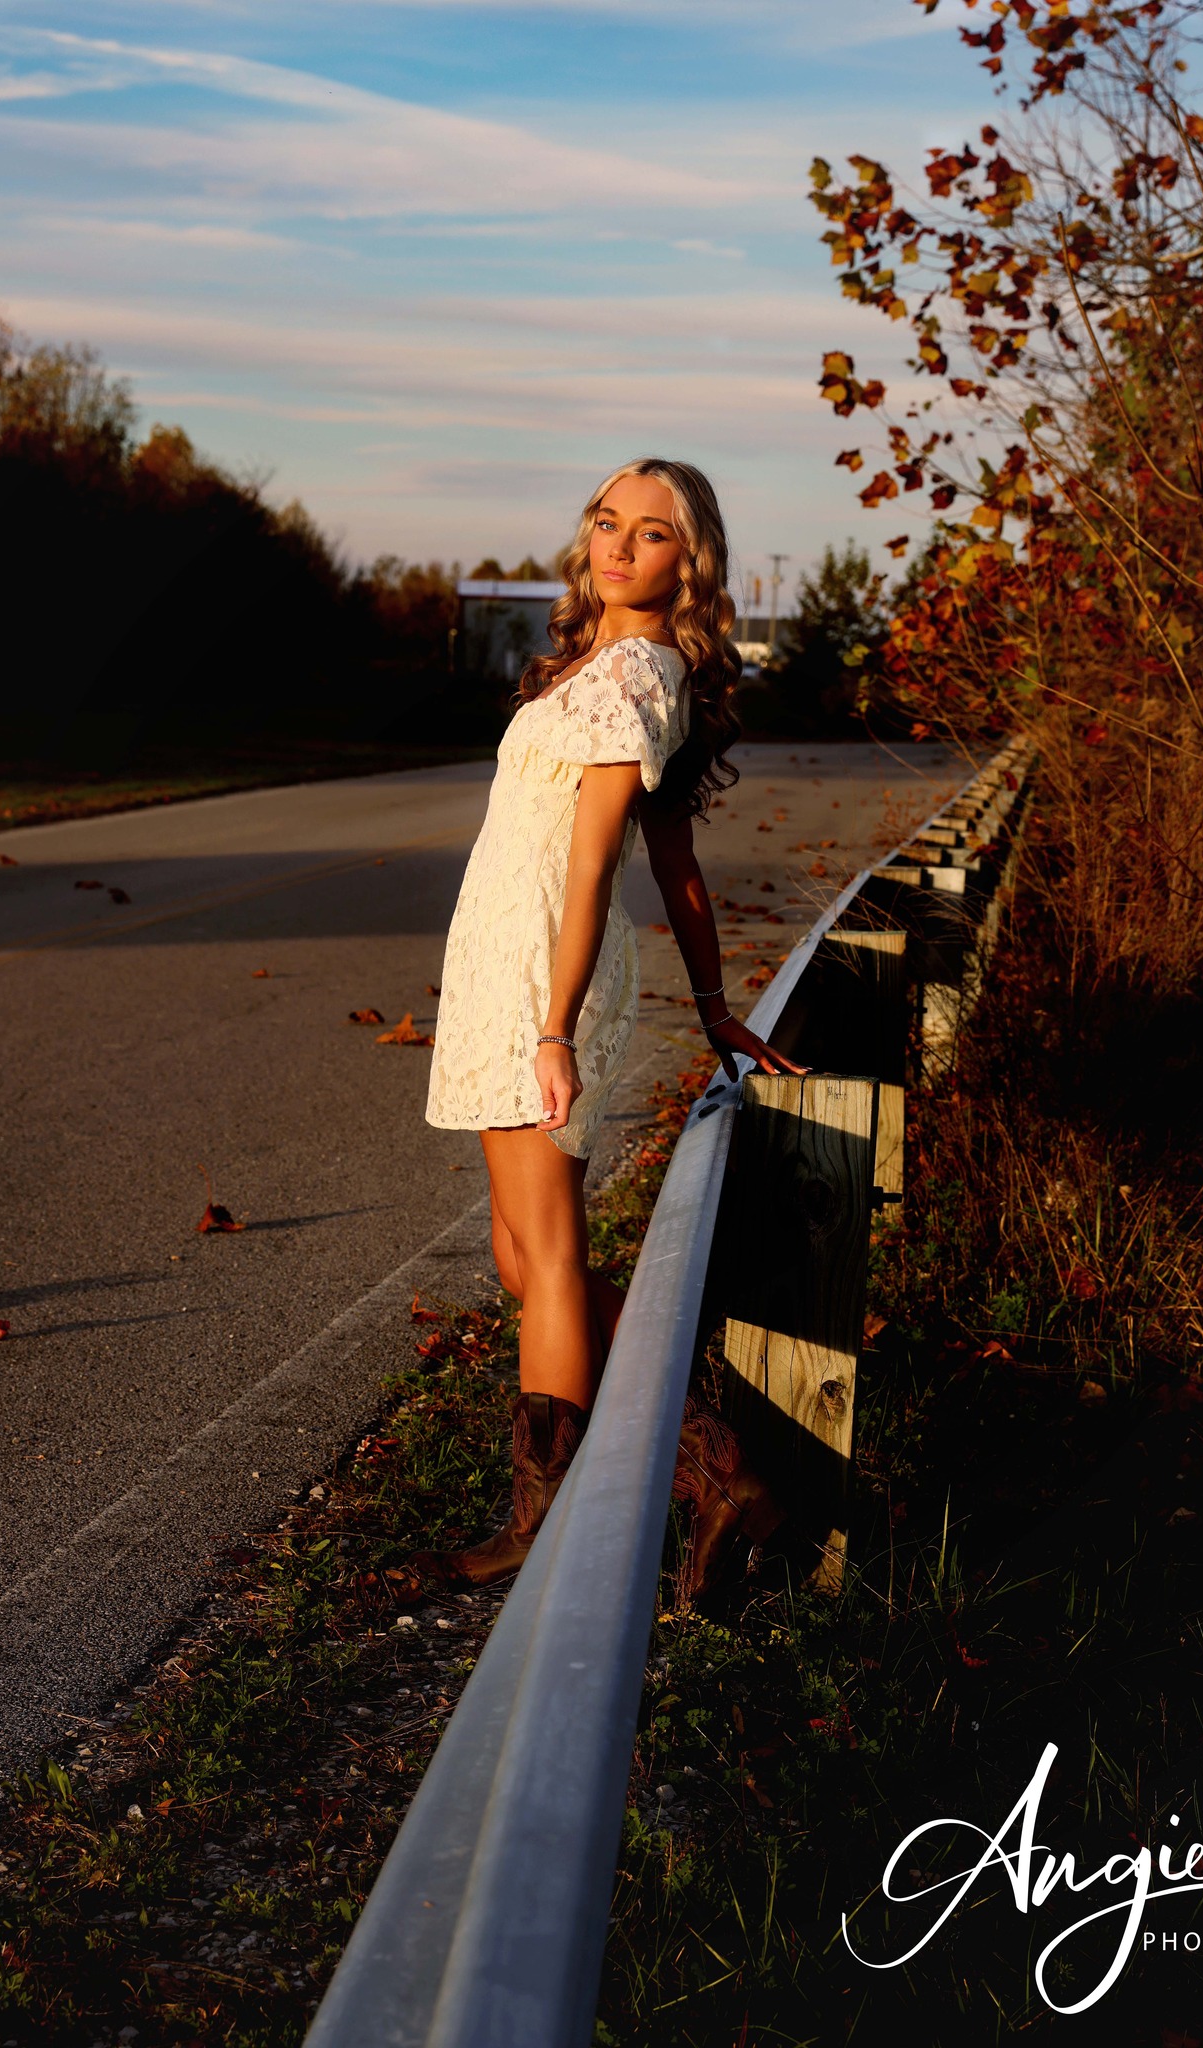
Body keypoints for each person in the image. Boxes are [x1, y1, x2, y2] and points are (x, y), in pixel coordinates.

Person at [402, 456, 804, 1600]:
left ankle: (546, 1524)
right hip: (506, 964)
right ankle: (717, 1468)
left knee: (551, 1254)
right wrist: (718, 1004)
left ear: (691, 562)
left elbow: (591, 873)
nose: (620, 546)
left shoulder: (634, 671)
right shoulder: (610, 664)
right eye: (606, 522)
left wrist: (554, 1025)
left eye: (653, 533)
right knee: (526, 1256)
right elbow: (675, 862)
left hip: (542, 971)